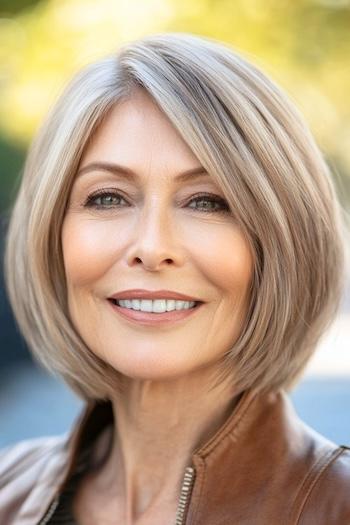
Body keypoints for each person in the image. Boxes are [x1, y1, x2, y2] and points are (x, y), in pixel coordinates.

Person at [1, 32, 349, 525]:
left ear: (283, 241)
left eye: (207, 201)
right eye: (108, 198)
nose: (152, 247)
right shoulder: (7, 493)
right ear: (51, 234)